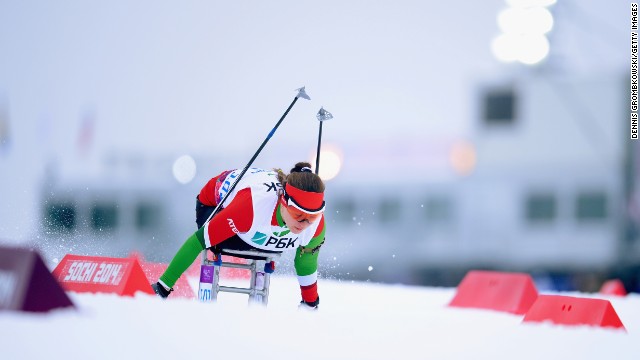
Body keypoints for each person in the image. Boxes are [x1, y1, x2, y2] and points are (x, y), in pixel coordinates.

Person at [152, 162, 325, 309]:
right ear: (283, 201)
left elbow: (306, 261)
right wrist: (163, 287)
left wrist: (310, 304)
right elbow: (197, 242)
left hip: (257, 225)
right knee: (222, 240)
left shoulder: (315, 226)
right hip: (214, 204)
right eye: (298, 214)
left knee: (268, 241)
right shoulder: (249, 208)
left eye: (312, 217)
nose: (304, 223)